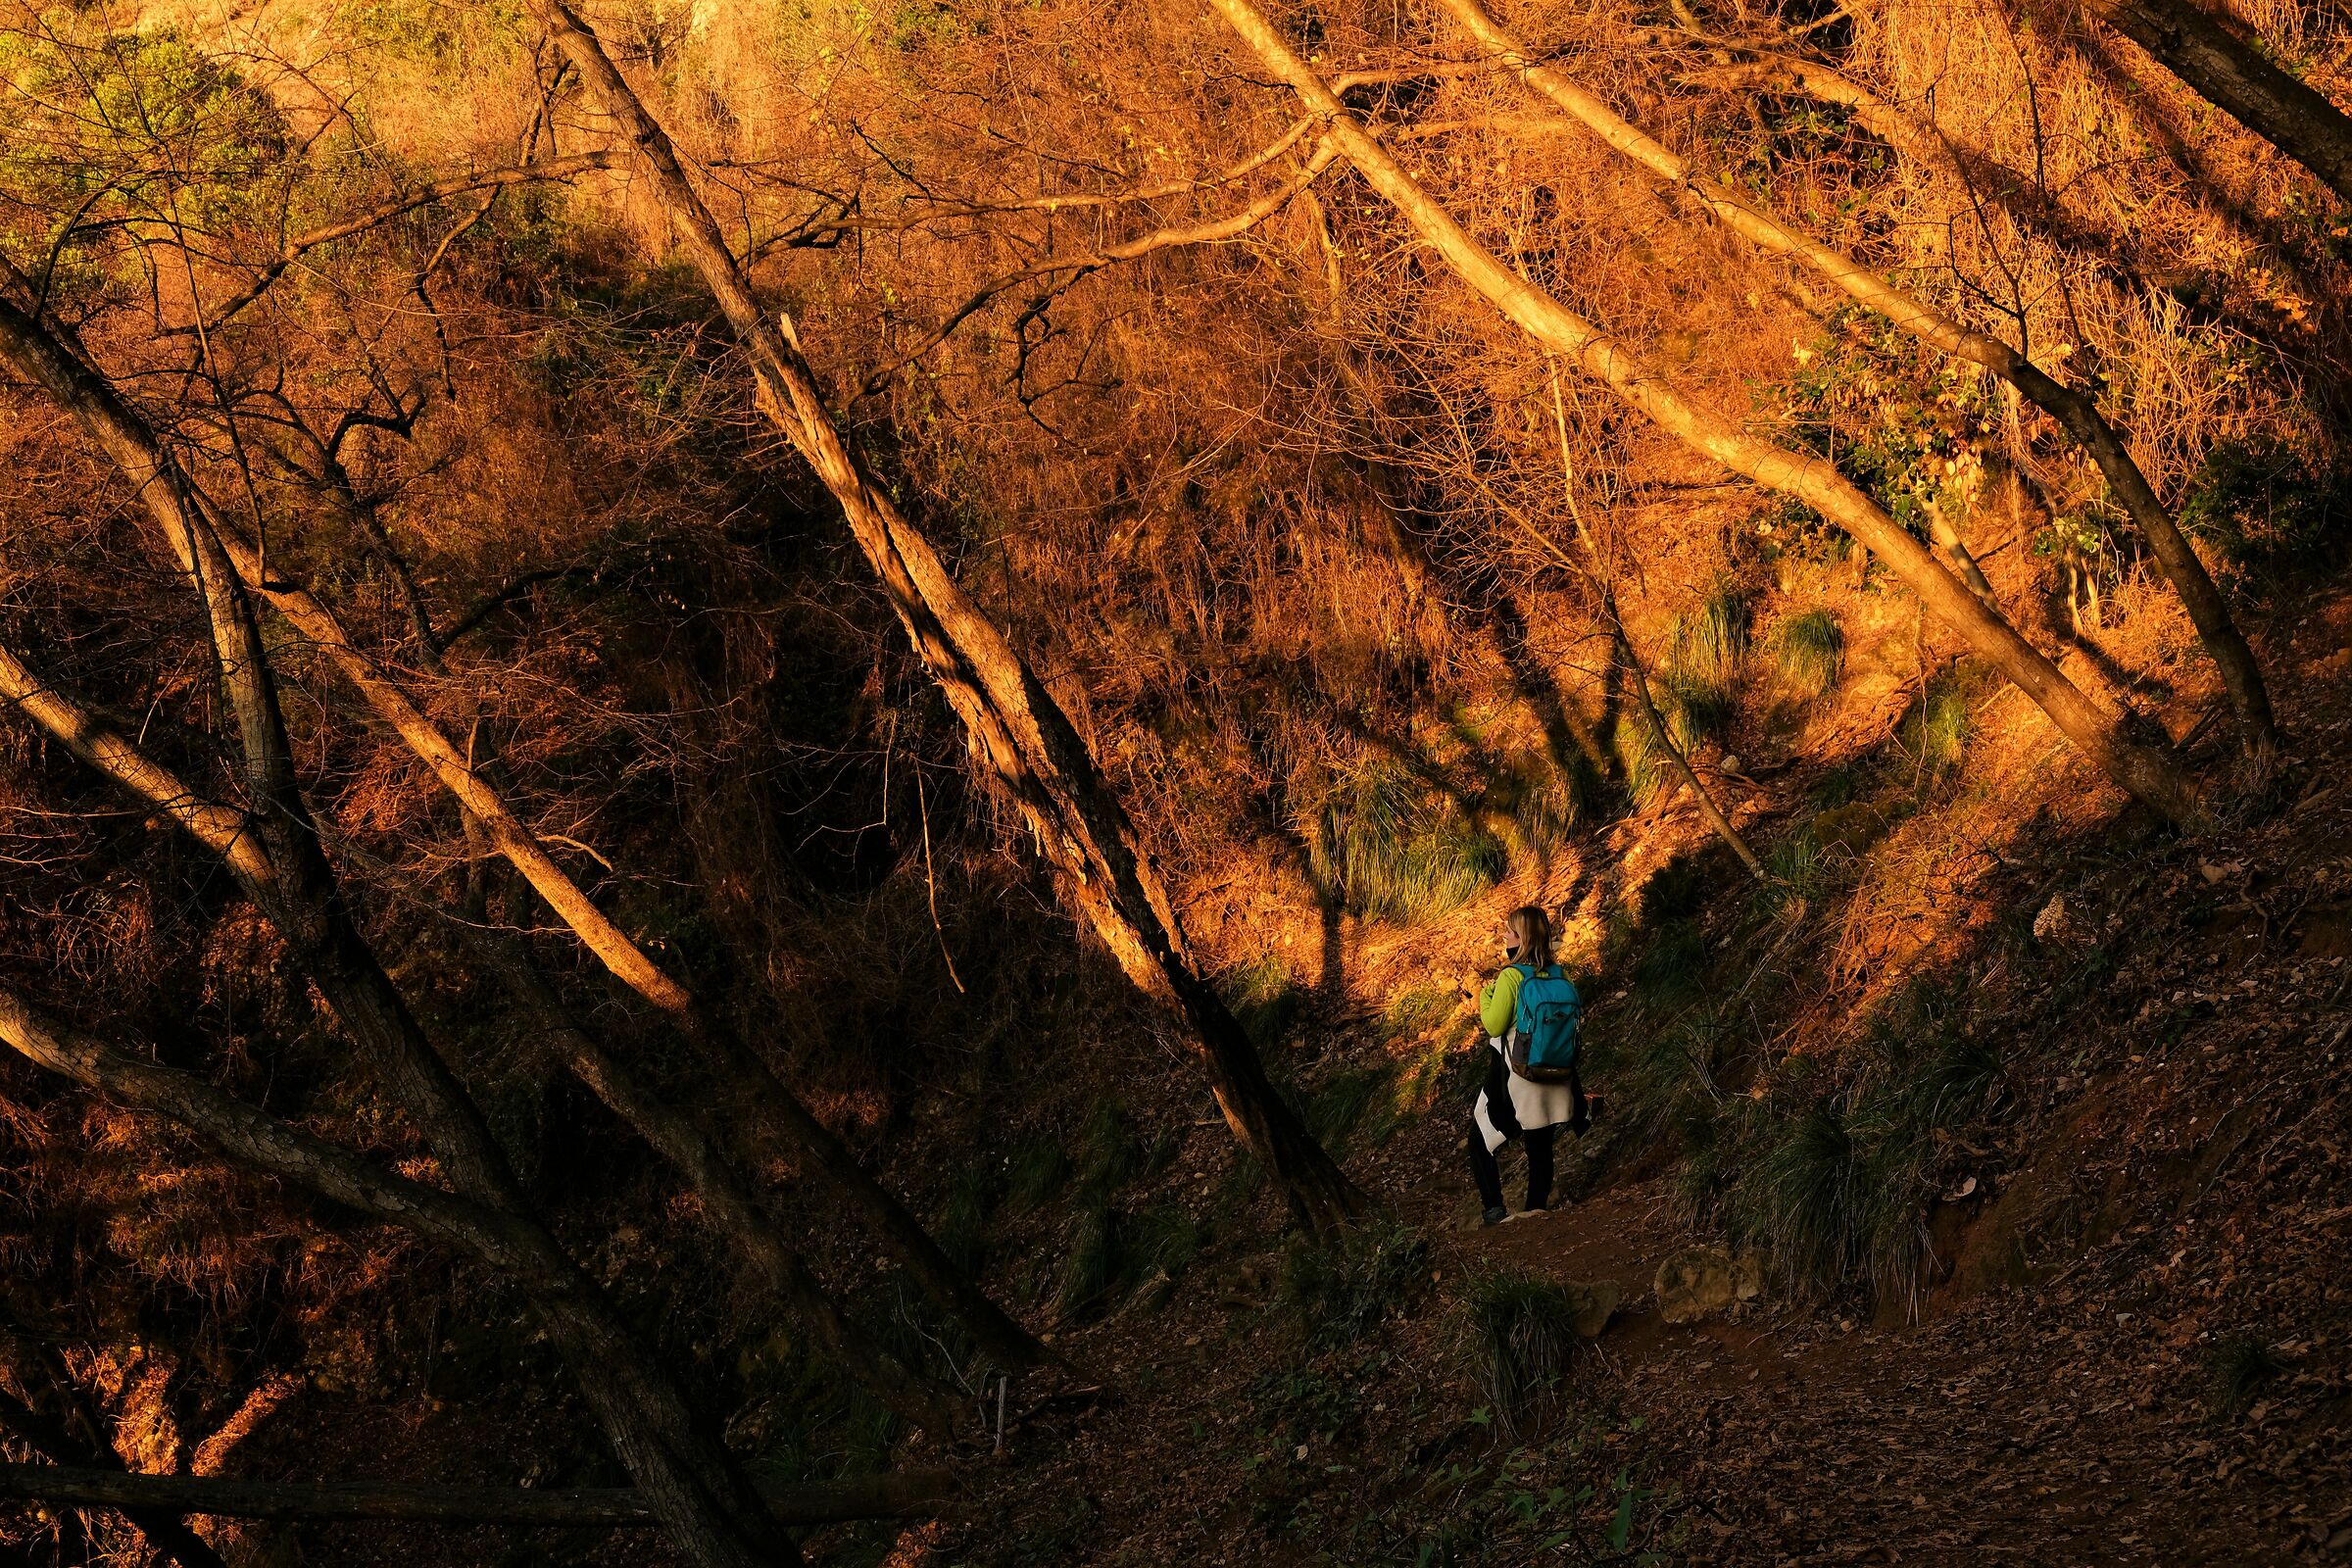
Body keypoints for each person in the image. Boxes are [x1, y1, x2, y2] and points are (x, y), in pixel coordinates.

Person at [1468, 905, 1593, 1226]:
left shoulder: (1511, 977)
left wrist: (1484, 995)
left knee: (1479, 1139)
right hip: (1557, 1074)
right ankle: (1535, 1211)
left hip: (1518, 1076)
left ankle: (1495, 1213)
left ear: (1522, 939)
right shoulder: (1559, 974)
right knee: (1540, 1146)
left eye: (1509, 932)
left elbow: (1495, 1025)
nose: (1504, 936)